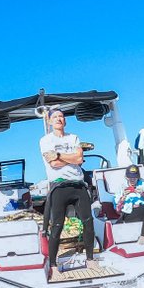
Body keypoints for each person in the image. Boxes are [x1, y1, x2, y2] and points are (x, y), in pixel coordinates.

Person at [38, 108, 94, 265]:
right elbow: (54, 164)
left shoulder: (74, 137)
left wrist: (58, 155)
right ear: (49, 121)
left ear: (65, 120)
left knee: (88, 222)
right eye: (54, 117)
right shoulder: (45, 140)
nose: (58, 119)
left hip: (78, 185)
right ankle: (54, 265)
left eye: (61, 116)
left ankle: (90, 259)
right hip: (59, 186)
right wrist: (69, 158)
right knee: (57, 225)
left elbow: (79, 159)